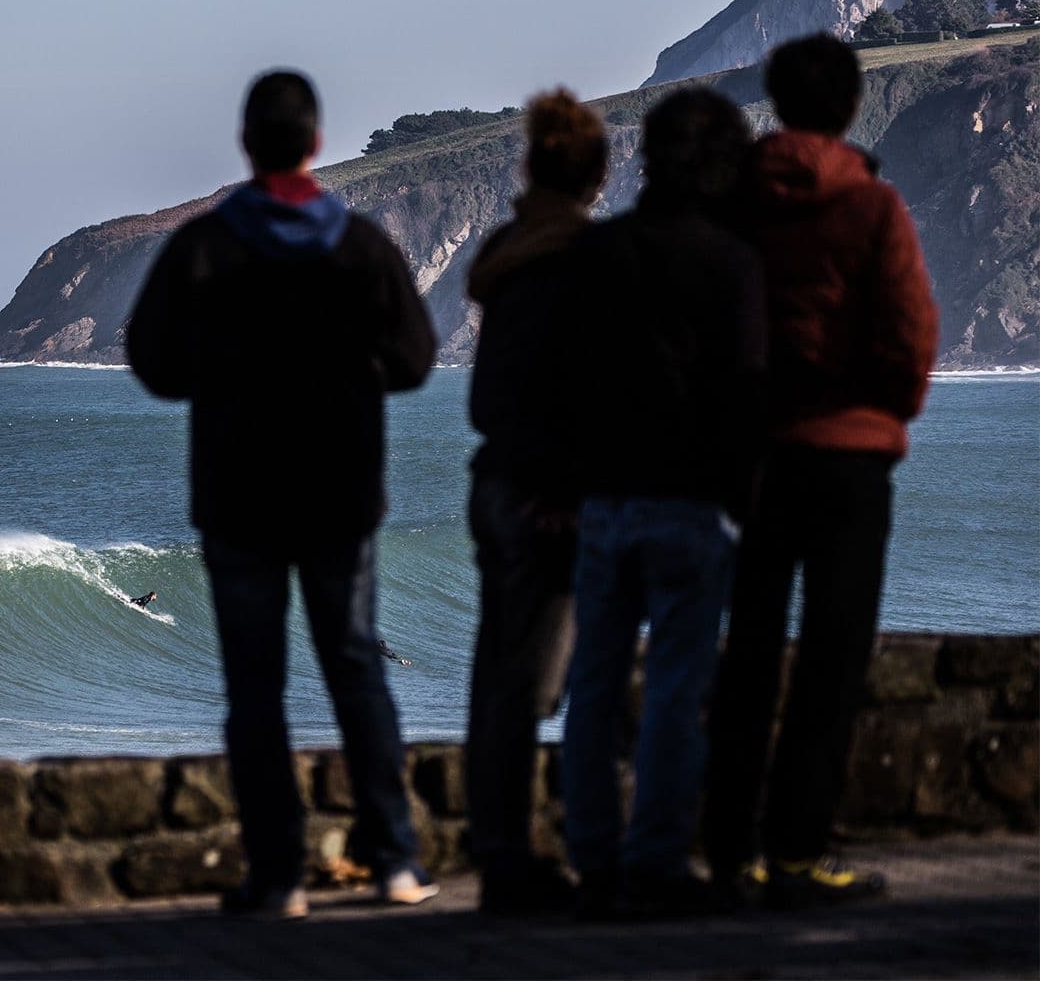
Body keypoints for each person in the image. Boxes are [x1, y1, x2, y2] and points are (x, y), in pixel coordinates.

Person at [127, 69, 439, 919]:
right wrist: (345, 380)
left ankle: (279, 877)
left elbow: (152, 360)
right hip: (341, 493)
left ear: (245, 143)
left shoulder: (204, 246)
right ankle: (396, 860)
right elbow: (414, 359)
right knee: (355, 668)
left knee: (255, 688)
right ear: (316, 144)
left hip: (239, 494)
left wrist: (224, 380)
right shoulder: (362, 245)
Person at [701, 34, 939, 909]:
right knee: (833, 658)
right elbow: (910, 328)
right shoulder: (872, 206)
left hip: (758, 457)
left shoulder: (736, 204)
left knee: (750, 653)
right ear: (846, 107)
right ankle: (798, 854)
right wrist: (885, 412)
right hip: (849, 459)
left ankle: (728, 850)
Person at [561, 87, 767, 920]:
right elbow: (750, 395)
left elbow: (562, 382)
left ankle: (593, 863)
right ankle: (655, 863)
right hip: (690, 503)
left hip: (606, 501)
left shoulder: (599, 253)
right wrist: (741, 504)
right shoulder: (732, 262)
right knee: (678, 688)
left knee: (595, 684)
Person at [462, 89, 607, 916]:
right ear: (594, 173)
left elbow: (500, 392)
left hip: (493, 479)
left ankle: (499, 849)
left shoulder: (504, 251)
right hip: (549, 491)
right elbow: (579, 387)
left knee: (498, 678)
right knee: (539, 684)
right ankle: (522, 858)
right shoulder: (583, 258)